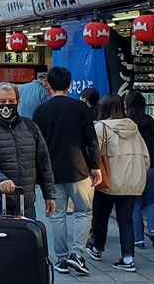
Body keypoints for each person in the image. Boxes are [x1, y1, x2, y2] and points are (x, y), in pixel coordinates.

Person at [32, 67, 102, 276]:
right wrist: (96, 166)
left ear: (49, 86)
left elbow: (37, 145)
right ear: (70, 85)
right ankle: (77, 253)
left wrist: (37, 173)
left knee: (57, 215)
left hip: (51, 171)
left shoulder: (40, 110)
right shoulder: (80, 108)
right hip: (79, 169)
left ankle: (61, 259)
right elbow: (91, 140)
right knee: (84, 212)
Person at [0, 82, 56, 221]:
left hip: (26, 201)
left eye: (11, 101)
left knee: (26, 241)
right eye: (3, 101)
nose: (7, 105)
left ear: (18, 103)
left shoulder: (31, 127)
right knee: (3, 240)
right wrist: (0, 180)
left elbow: (44, 162)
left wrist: (49, 194)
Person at [87, 94, 150, 273]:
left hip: (109, 182)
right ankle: (128, 258)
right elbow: (146, 157)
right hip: (132, 182)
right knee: (126, 220)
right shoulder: (133, 128)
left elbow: (93, 154)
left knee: (101, 216)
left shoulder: (101, 127)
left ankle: (97, 248)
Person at [125, 91, 154, 250]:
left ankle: (138, 239)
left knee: (135, 203)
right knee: (151, 201)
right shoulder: (153, 120)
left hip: (134, 166)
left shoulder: (127, 123)